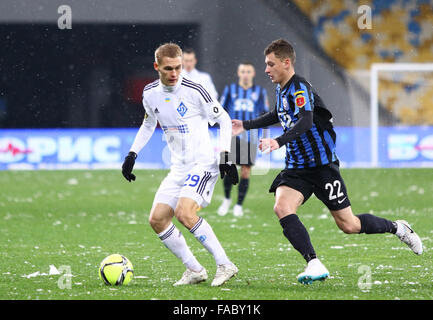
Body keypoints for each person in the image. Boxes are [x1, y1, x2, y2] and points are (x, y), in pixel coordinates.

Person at [232, 39, 423, 285]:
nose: (266, 70)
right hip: (297, 168)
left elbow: (306, 120)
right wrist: (246, 125)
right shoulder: (281, 89)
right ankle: (313, 263)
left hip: (322, 167)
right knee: (282, 207)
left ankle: (398, 228)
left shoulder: (299, 87)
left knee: (349, 225)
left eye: (271, 64)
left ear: (286, 62)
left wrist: (278, 142)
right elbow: (277, 114)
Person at [122, 43, 239, 287]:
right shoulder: (150, 93)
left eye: (178, 67)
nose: (175, 73)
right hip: (179, 168)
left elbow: (225, 119)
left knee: (185, 213)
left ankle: (225, 264)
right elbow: (147, 124)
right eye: (168, 69)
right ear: (157, 67)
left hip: (203, 163)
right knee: (157, 220)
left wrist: (225, 155)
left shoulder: (196, 90)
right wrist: (132, 154)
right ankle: (195, 269)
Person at [217, 62, 269, 217]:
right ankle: (226, 199)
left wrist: (264, 137)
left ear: (253, 74)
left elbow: (265, 115)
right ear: (239, 73)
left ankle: (238, 204)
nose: (245, 74)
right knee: (228, 169)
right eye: (243, 71)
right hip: (232, 136)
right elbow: (220, 111)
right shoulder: (230, 90)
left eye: (248, 71)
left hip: (250, 136)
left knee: (246, 171)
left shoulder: (260, 92)